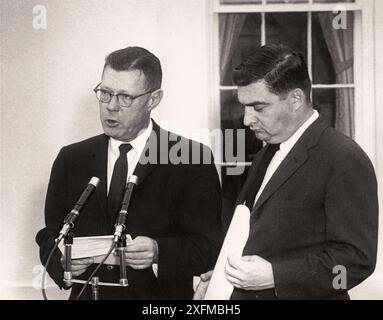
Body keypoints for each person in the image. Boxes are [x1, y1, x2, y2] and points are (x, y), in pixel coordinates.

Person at [36, 46, 222, 300]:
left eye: (125, 97)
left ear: (153, 100)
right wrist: (62, 263)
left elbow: (210, 247)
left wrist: (158, 251)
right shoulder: (72, 159)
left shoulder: (192, 159)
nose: (111, 106)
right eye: (105, 93)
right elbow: (50, 235)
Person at [194, 44, 378, 300]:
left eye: (258, 107)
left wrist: (275, 276)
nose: (246, 120)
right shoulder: (264, 154)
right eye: (244, 107)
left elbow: (357, 262)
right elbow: (259, 238)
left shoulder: (343, 157)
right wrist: (224, 278)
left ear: (296, 100)